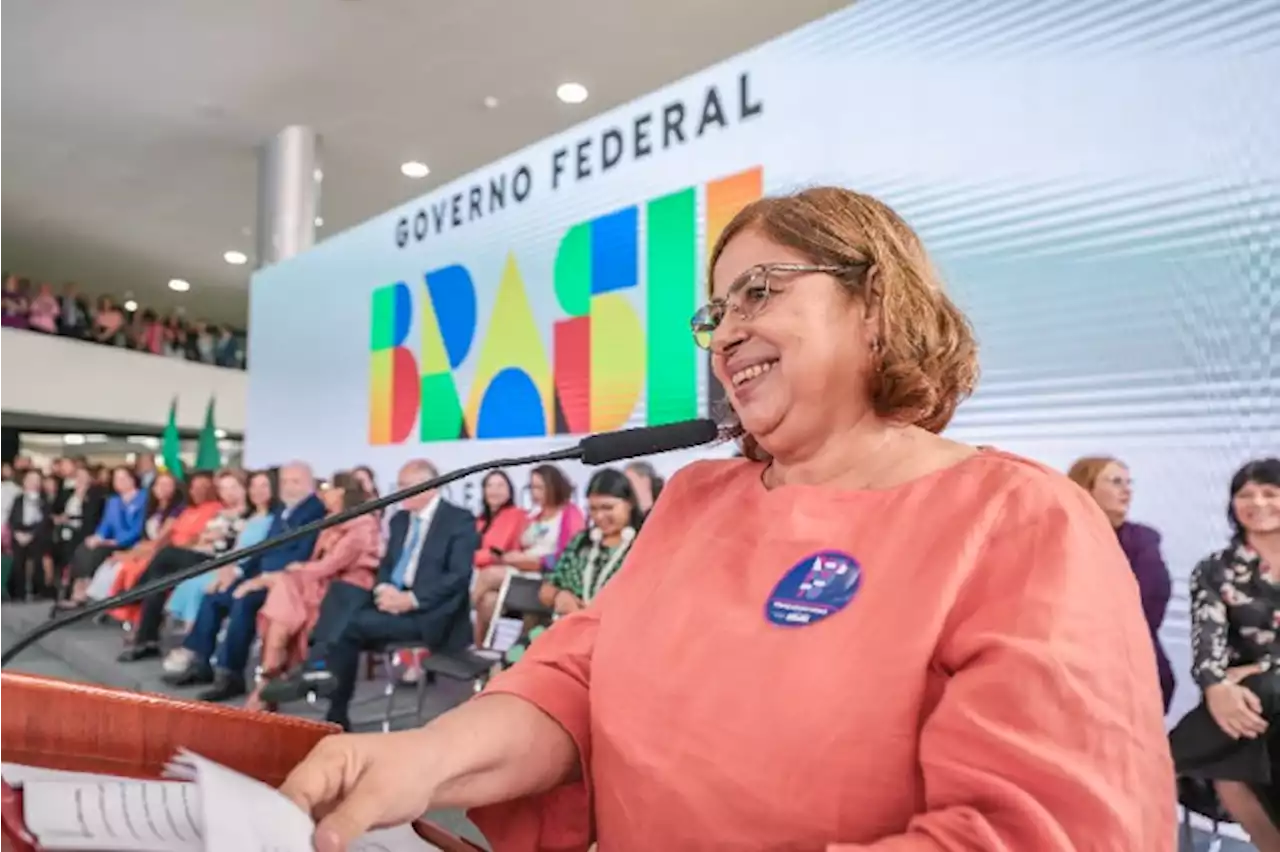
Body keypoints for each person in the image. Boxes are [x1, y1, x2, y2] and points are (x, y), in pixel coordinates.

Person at [281, 187, 1174, 851]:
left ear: (876, 302)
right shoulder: (698, 499)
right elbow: (579, 683)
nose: (724, 333)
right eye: (714, 312)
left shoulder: (1022, 520)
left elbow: (1042, 831)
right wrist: (423, 760)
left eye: (760, 292)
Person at [271, 459, 477, 730]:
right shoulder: (401, 519)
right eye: (399, 485)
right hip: (394, 599)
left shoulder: (458, 519)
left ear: (429, 487)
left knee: (349, 626)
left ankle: (326, 688)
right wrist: (383, 589)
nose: (399, 491)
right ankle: (319, 669)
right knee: (344, 590)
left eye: (405, 486)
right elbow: (388, 565)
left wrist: (411, 600)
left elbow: (458, 578)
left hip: (431, 614)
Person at [1170, 458, 1280, 849]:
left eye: (1270, 492)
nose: (1257, 502)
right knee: (1235, 732)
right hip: (1241, 699)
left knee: (1264, 689)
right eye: (1245, 494)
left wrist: (1262, 667)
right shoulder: (1216, 568)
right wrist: (1216, 685)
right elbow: (1207, 641)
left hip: (1260, 689)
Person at [163, 462, 324, 702]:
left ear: (311, 484)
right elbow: (262, 550)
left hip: (285, 583)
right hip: (259, 575)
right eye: (286, 481)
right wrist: (238, 573)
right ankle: (201, 661)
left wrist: (260, 580)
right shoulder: (284, 510)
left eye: (296, 482)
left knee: (244, 602)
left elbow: (301, 554)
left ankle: (231, 674)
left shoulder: (314, 511)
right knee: (214, 597)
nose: (289, 487)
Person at [240, 471, 379, 711]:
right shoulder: (331, 520)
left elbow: (331, 565)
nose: (321, 494)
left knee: (283, 588)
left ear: (342, 492)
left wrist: (295, 571)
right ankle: (268, 681)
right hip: (318, 583)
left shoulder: (362, 523)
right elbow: (318, 565)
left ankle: (267, 681)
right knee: (283, 594)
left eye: (327, 489)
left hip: (343, 590)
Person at [1067, 455, 1175, 711]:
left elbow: (1150, 601)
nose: (1127, 490)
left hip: (1133, 667)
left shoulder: (1144, 540)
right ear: (1085, 488)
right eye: (1116, 482)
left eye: (1129, 482)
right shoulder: (1061, 537)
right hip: (1074, 664)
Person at [117, 470, 248, 662]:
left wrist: (212, 540)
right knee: (158, 582)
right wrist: (206, 540)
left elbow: (232, 545)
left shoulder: (247, 515)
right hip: (202, 554)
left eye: (233, 487)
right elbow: (203, 540)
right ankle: (147, 641)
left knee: (167, 553)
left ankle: (133, 594)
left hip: (219, 562)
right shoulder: (221, 512)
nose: (228, 493)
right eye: (224, 488)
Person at [471, 464, 583, 644]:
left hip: (546, 575)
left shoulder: (569, 513)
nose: (534, 492)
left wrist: (538, 561)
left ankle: (458, 613)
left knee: (489, 574)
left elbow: (573, 555)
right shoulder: (533, 515)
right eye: (531, 487)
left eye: (539, 487)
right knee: (487, 601)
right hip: (522, 572)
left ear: (553, 486)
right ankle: (481, 657)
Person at [165, 470, 277, 627]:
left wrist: (231, 568)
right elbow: (236, 547)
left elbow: (254, 553)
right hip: (226, 562)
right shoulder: (251, 517)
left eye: (264, 486)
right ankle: (191, 641)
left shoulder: (273, 519)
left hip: (244, 569)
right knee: (189, 580)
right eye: (254, 486)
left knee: (196, 583)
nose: (257, 491)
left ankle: (192, 644)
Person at [539, 469, 642, 617]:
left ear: (629, 504)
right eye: (593, 509)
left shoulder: (643, 544)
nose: (599, 516)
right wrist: (558, 596)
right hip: (570, 628)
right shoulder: (581, 541)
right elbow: (546, 589)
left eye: (608, 507)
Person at [63, 467, 147, 607]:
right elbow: (106, 524)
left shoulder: (143, 498)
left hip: (131, 542)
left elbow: (138, 528)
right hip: (110, 541)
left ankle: (86, 590)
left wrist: (115, 541)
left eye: (123, 478)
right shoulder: (113, 501)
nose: (119, 482)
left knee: (97, 552)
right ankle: (78, 589)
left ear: (133, 480)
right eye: (116, 479)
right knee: (83, 548)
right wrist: (98, 537)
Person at [5, 470, 52, 600]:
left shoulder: (44, 500)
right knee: (17, 561)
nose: (33, 483)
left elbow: (45, 521)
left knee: (38, 558)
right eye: (30, 480)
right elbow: (11, 519)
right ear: (24, 482)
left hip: (36, 534)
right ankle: (18, 593)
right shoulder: (18, 499)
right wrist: (17, 533)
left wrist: (31, 535)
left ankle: (38, 591)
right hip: (19, 532)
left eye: (37, 480)